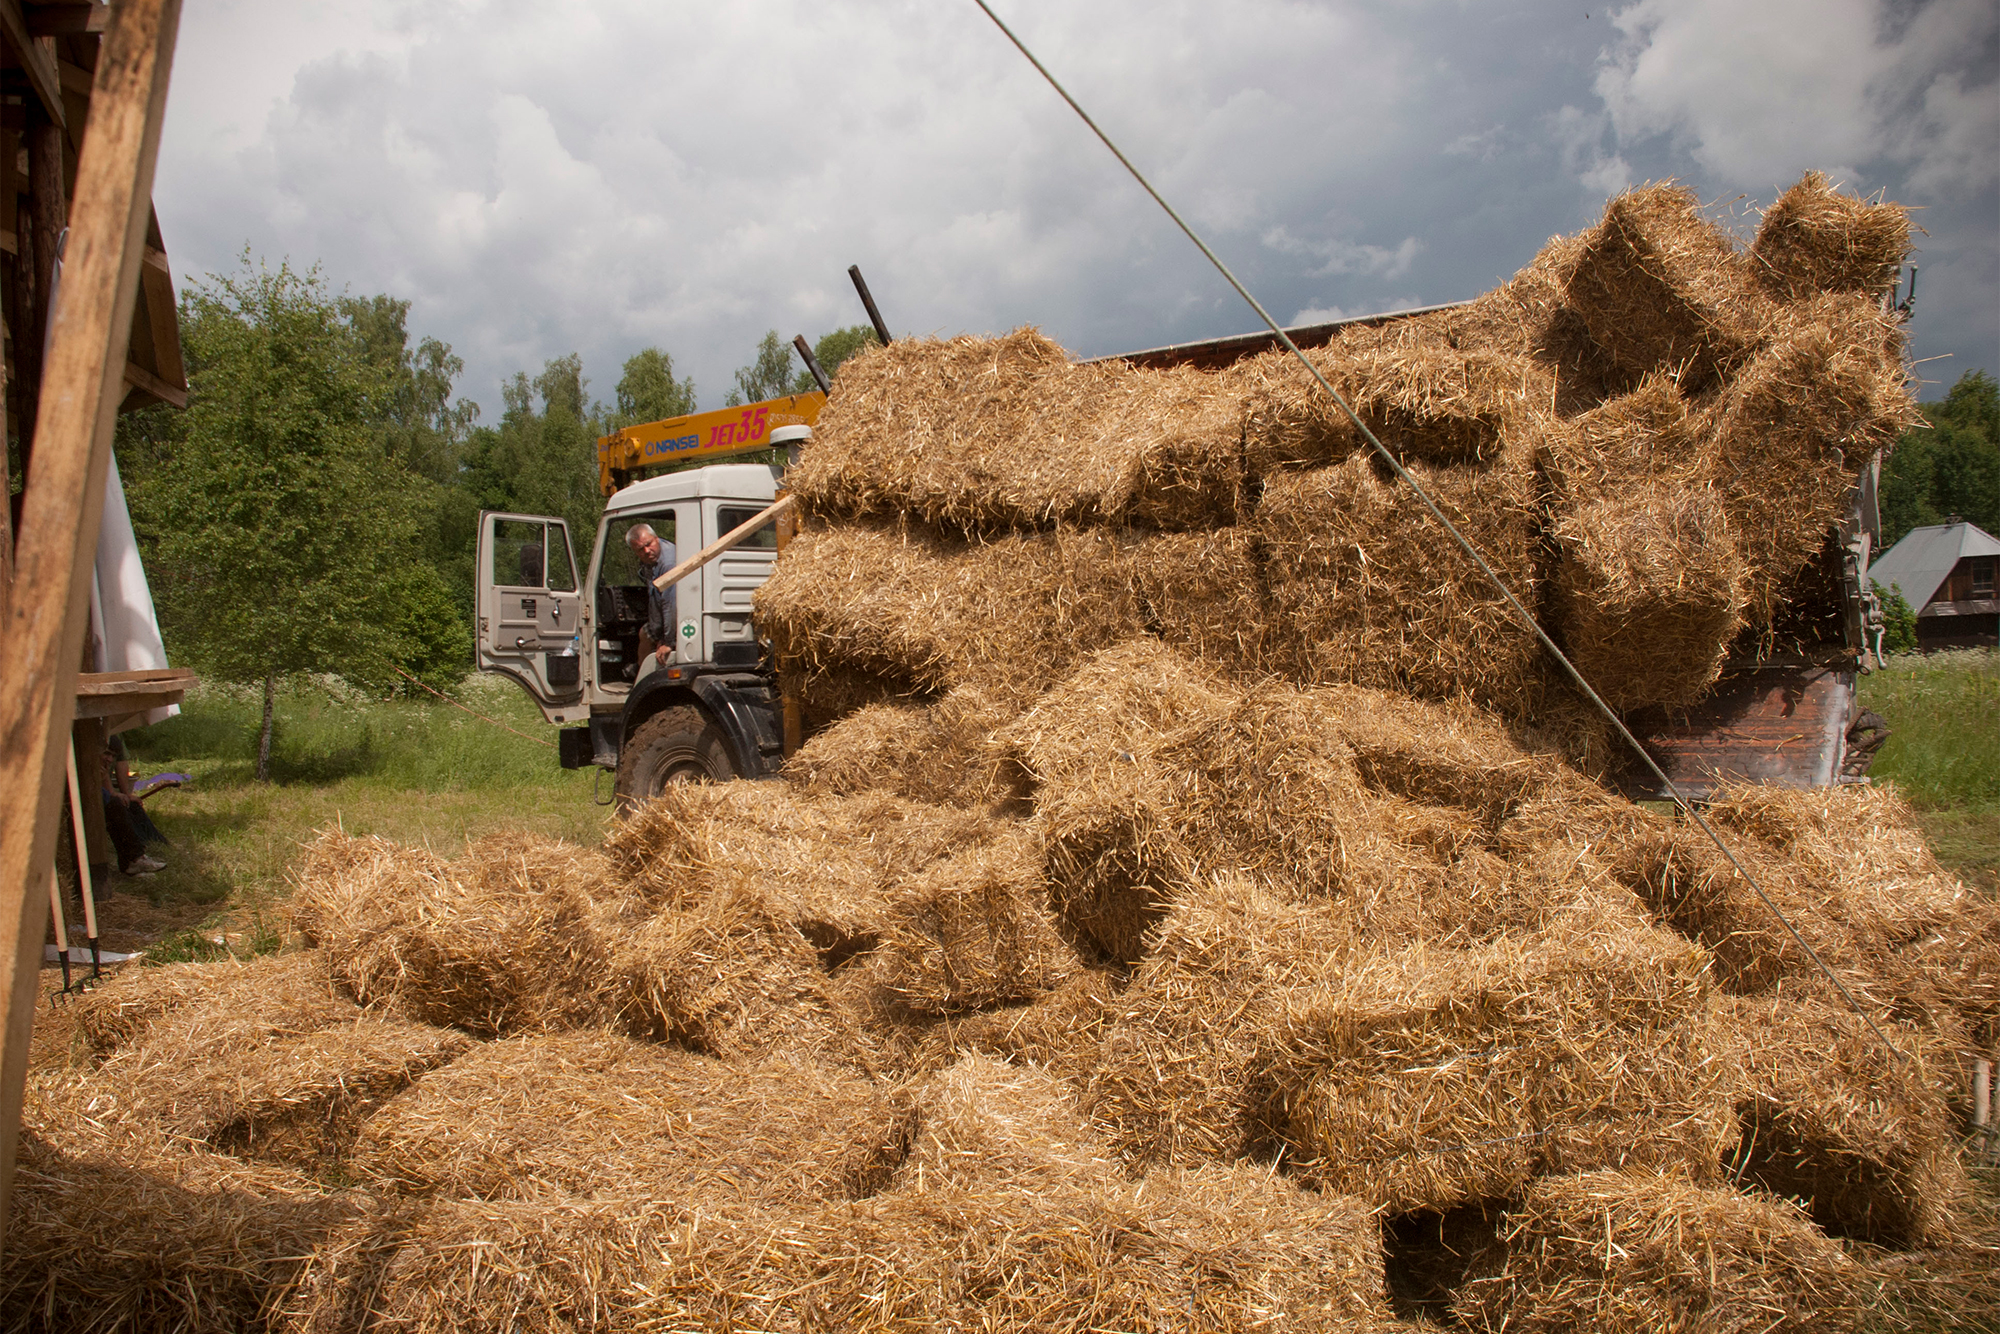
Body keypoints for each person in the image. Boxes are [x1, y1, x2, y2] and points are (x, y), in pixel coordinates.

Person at [102, 735, 164, 877]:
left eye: (113, 756)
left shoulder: (101, 766)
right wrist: (113, 795)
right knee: (115, 806)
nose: (110, 759)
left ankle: (147, 848)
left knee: (128, 804)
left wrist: (123, 794)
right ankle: (135, 858)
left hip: (101, 798)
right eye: (106, 753)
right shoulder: (85, 761)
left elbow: (106, 781)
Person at [626, 522, 678, 671]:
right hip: (661, 621)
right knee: (644, 633)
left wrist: (668, 642)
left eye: (648, 544)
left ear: (656, 538)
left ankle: (643, 678)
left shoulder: (668, 564)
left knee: (646, 636)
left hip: (675, 622)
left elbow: (671, 604)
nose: (647, 551)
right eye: (640, 549)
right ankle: (640, 670)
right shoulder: (651, 561)